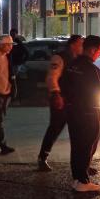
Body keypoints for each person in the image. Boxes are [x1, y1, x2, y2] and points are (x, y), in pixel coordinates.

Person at [60, 35, 100, 192]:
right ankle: (82, 181)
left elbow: (63, 86)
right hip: (88, 112)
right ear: (92, 49)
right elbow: (97, 93)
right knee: (86, 146)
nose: (99, 54)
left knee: (76, 145)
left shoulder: (72, 65)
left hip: (72, 110)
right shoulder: (92, 70)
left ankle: (77, 179)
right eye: (99, 51)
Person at [37, 35, 84, 171]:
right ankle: (42, 157)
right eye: (81, 44)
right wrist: (56, 94)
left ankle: (82, 162)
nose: (82, 47)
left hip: (75, 101)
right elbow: (52, 77)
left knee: (78, 131)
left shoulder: (79, 60)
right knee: (55, 128)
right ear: (73, 44)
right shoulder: (60, 58)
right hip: (61, 99)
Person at [9, 28, 29, 99]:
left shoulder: (19, 43)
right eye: (11, 34)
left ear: (16, 34)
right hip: (11, 64)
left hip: (17, 64)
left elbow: (26, 52)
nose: (12, 36)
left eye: (14, 34)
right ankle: (13, 96)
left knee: (15, 80)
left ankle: (17, 96)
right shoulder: (9, 42)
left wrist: (22, 61)